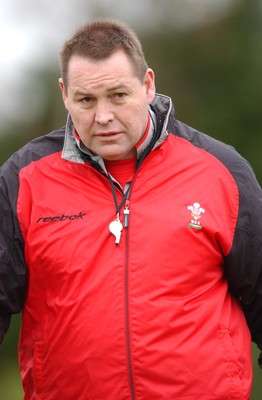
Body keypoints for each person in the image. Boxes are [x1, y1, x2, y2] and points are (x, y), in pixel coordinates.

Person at [0, 18, 262, 400]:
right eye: (86, 100)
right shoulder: (22, 178)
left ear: (148, 85)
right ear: (64, 94)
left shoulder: (222, 170)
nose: (102, 117)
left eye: (118, 95)